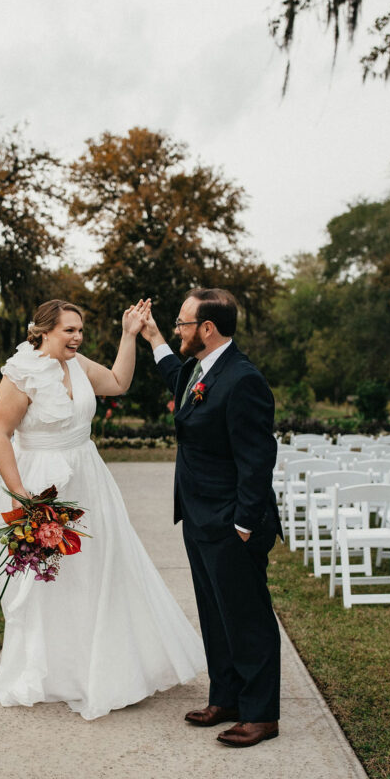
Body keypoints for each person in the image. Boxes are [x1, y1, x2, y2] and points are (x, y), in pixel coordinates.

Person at [0, 298, 205, 721]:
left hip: (89, 480)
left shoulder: (79, 365)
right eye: (69, 330)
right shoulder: (21, 373)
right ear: (43, 331)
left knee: (100, 571)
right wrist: (21, 495)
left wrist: (129, 334)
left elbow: (119, 382)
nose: (77, 337)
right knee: (51, 582)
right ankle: (55, 673)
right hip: (41, 486)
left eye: (80, 330)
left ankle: (100, 669)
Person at [140, 288, 282, 748]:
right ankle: (227, 698)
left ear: (207, 328)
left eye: (182, 324)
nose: (177, 330)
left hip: (231, 522)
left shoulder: (243, 380)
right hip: (199, 516)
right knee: (216, 613)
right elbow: (177, 380)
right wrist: (154, 338)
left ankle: (260, 714)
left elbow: (258, 460)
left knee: (247, 617)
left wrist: (243, 524)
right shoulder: (198, 369)